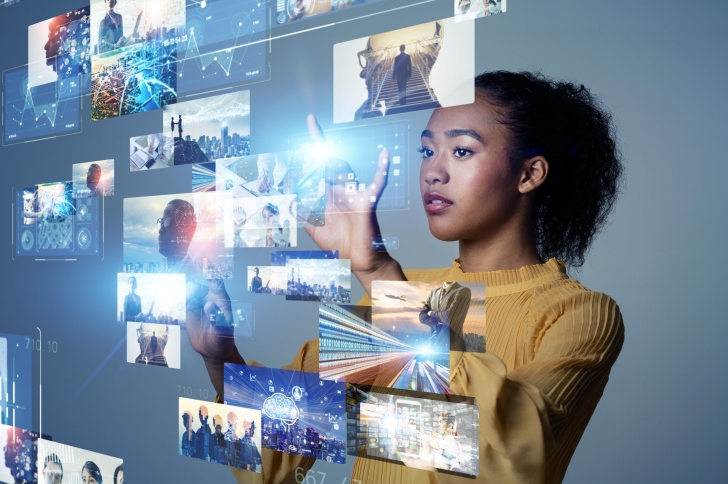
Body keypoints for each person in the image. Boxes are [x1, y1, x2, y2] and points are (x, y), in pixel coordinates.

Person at [188, 71, 624, 483]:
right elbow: (281, 449)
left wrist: (379, 276)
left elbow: (510, 456)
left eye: (462, 151)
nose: (433, 171)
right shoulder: (401, 295)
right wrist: (221, 359)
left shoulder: (579, 313)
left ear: (530, 174)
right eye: (427, 151)